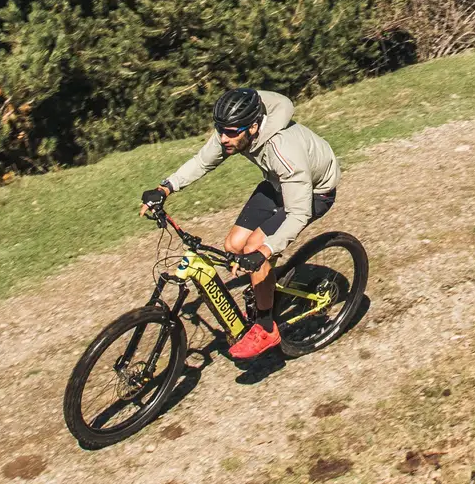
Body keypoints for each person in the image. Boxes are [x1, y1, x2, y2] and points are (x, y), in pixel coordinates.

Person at [140, 88, 340, 360]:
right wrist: (165, 188)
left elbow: (298, 213)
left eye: (231, 132)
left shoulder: (283, 149)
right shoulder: (235, 129)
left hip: (313, 192)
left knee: (255, 250)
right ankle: (262, 289)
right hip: (276, 182)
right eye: (220, 130)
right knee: (233, 245)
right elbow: (202, 161)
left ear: (254, 126)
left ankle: (267, 327)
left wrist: (264, 253)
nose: (223, 139)